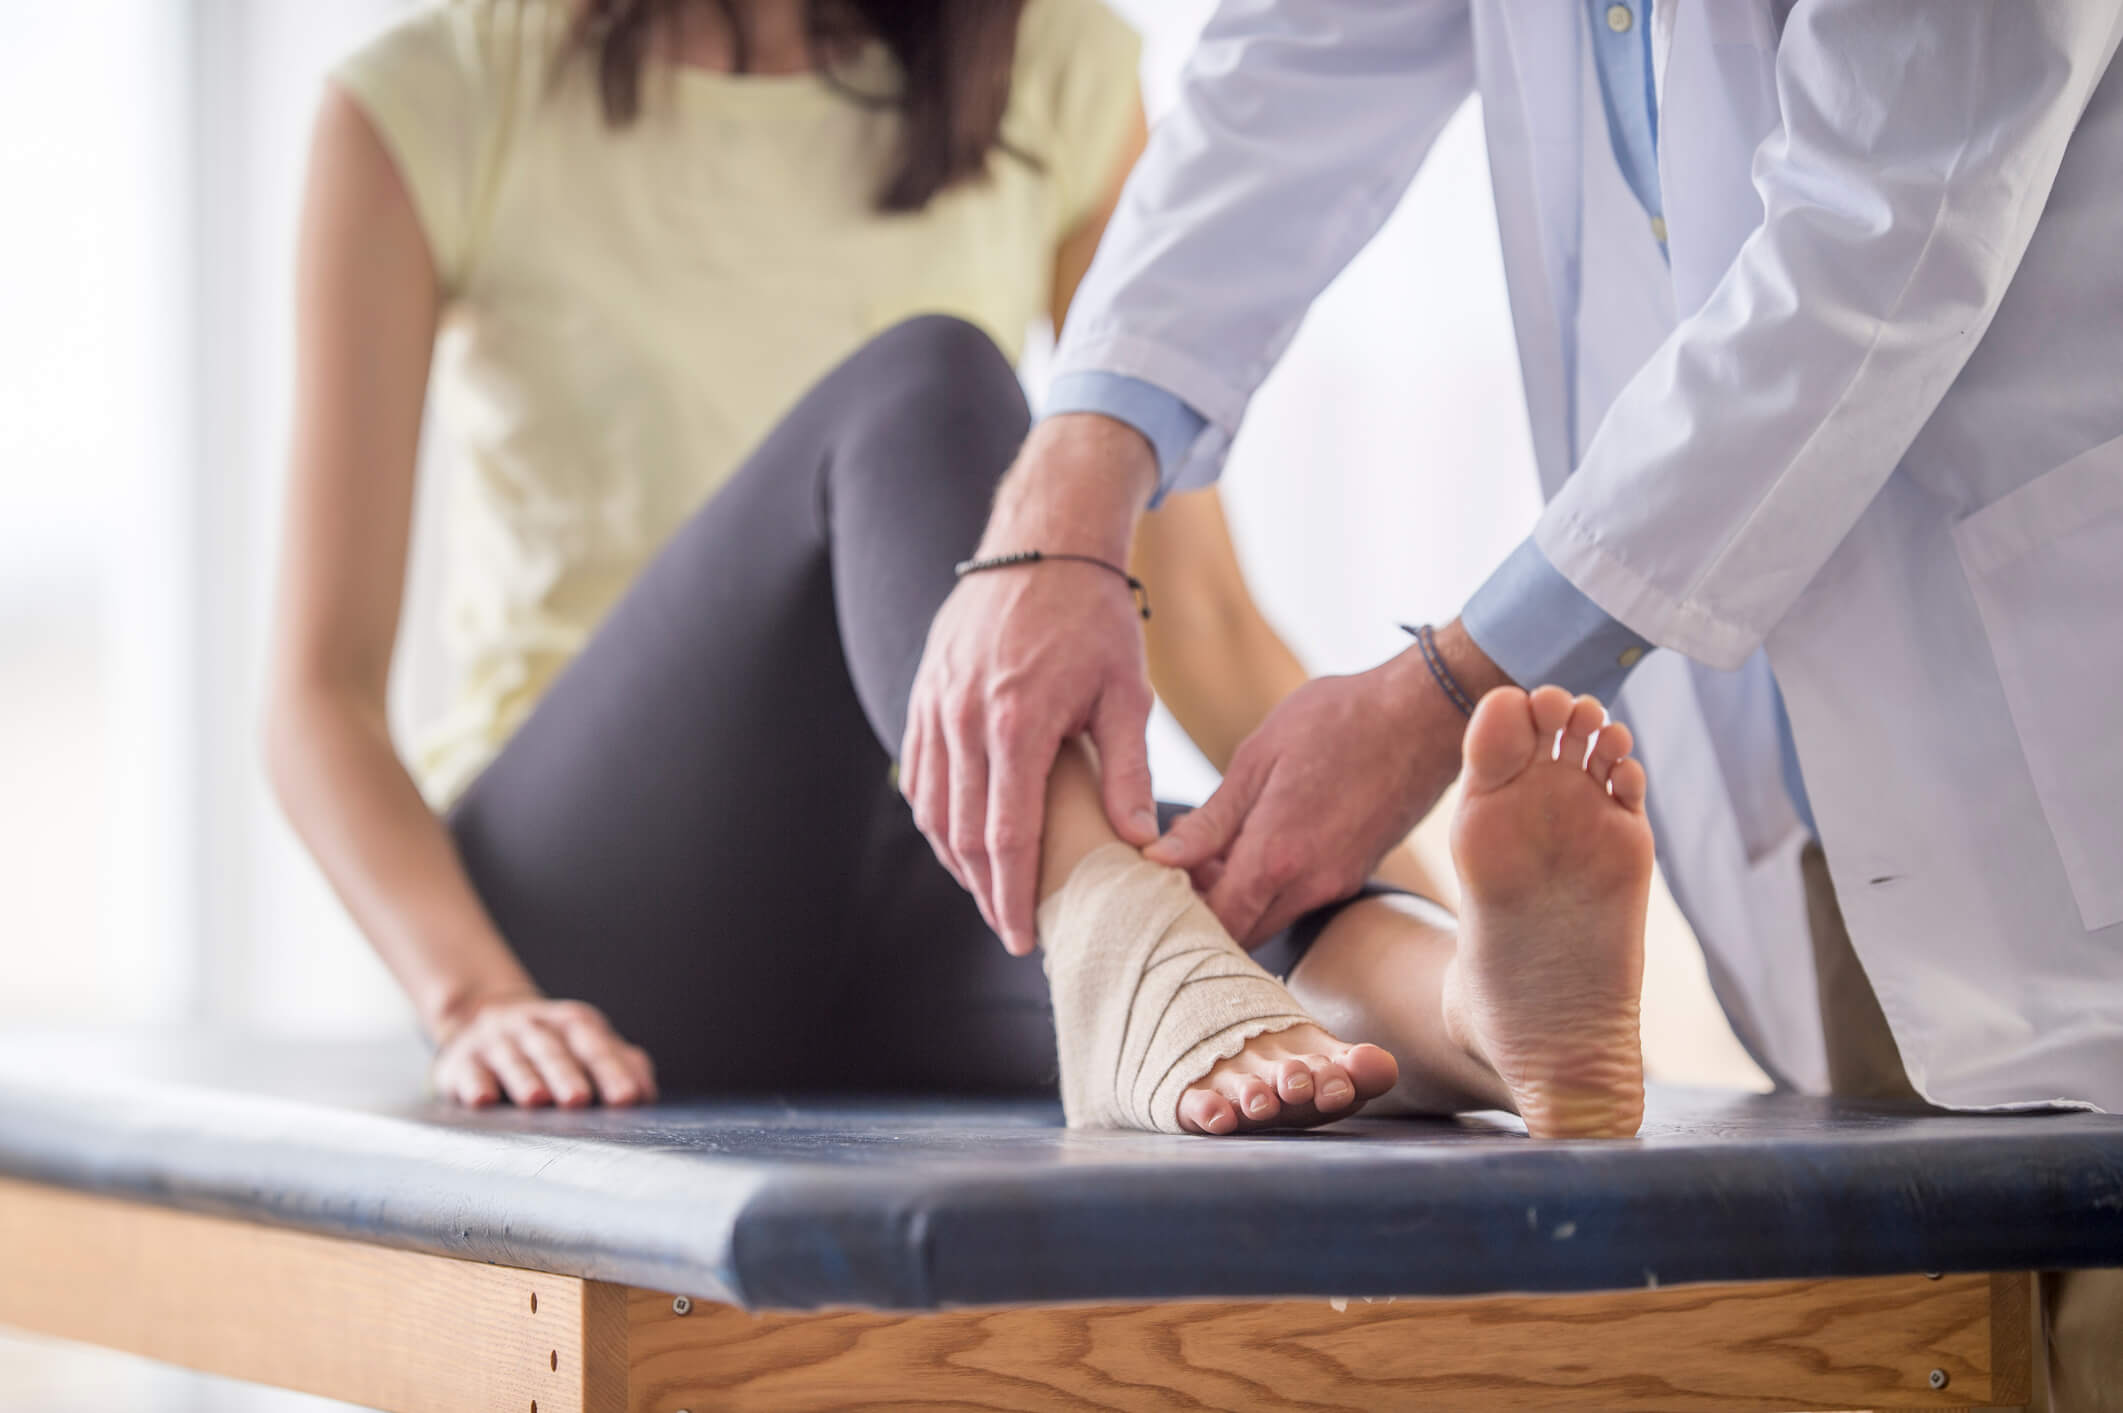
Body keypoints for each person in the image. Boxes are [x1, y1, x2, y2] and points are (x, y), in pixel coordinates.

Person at [907, 1, 2123, 1402]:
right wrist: (1072, 474)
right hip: (1792, 731)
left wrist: (1446, 689)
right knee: (1932, 1341)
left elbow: (1885, 228)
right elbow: (1304, 56)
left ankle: (1454, 999)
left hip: (2042, 685)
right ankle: (1470, 1007)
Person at [265, 0, 1505, 1132]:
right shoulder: (433, 98)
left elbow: (1193, 613)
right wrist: (471, 997)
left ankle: (1485, 1014)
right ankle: (1115, 931)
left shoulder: (1053, 63)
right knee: (925, 385)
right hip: (608, 911)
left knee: (1244, 893)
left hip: (929, 859)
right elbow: (318, 695)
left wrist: (1403, 882)